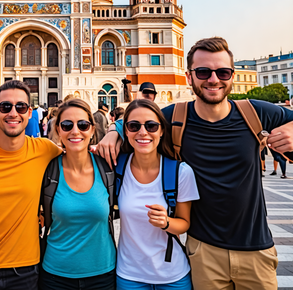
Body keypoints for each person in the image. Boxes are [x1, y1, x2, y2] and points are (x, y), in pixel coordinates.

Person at [99, 37, 293, 290]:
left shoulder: (255, 112)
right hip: (203, 251)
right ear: (189, 77)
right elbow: (141, 122)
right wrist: (113, 131)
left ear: (231, 75)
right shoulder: (175, 117)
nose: (213, 79)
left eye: (222, 71)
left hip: (255, 249)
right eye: (203, 71)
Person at [0, 80, 63, 290]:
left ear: (29, 113)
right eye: (6, 107)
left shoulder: (44, 149)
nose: (13, 113)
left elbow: (80, 147)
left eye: (21, 107)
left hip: (25, 270)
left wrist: (115, 132)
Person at [116, 99, 199, 289]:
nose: (143, 132)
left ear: (162, 131)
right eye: (134, 126)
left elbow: (184, 223)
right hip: (130, 275)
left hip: (172, 275)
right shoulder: (117, 167)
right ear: (126, 131)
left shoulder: (180, 172)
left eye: (152, 126)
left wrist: (167, 222)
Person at [40, 99, 116, 290]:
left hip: (103, 275)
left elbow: (143, 129)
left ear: (92, 130)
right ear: (58, 130)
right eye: (67, 125)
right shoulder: (46, 167)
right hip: (56, 276)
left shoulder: (108, 165)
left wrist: (115, 131)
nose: (75, 131)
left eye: (83, 125)